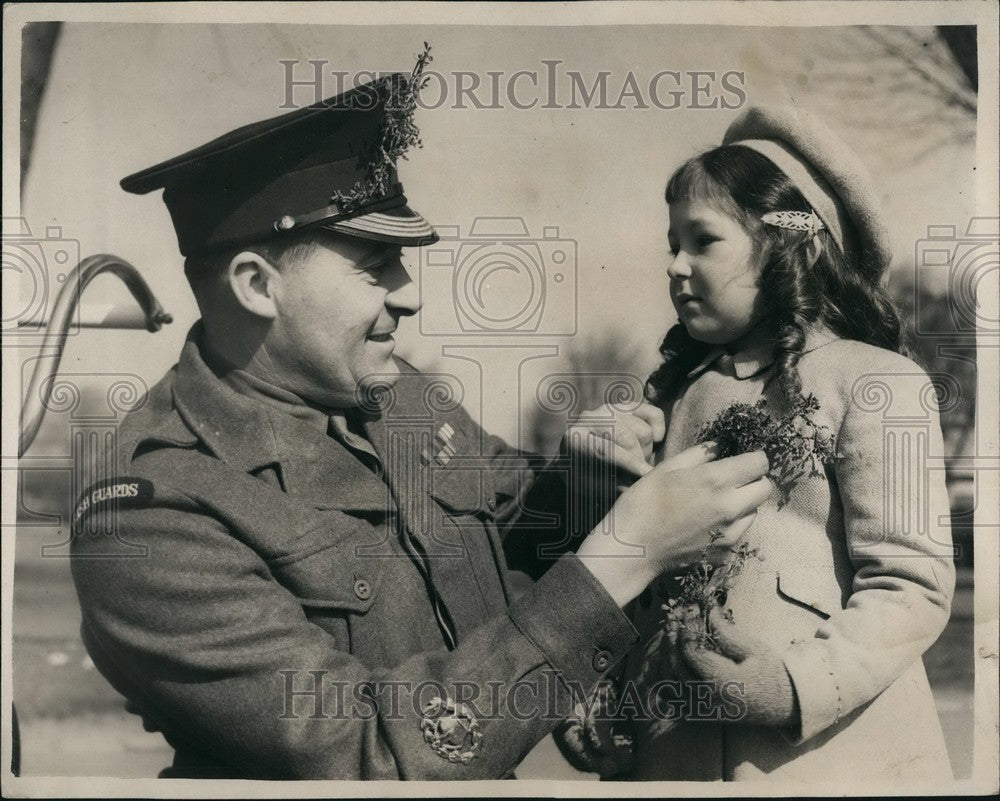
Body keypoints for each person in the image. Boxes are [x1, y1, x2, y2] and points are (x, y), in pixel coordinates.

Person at [68, 70, 772, 780]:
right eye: (376, 266)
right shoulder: (149, 515)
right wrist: (627, 552)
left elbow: (508, 523)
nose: (408, 295)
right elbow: (373, 752)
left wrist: (587, 482)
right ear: (257, 286)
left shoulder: (397, 398)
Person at [612, 105, 954, 782]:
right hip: (673, 761)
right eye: (670, 243)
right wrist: (614, 713)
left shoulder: (880, 380)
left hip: (834, 762)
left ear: (786, 245)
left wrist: (797, 683)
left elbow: (913, 582)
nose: (676, 266)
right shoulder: (676, 396)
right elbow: (642, 586)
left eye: (702, 240)